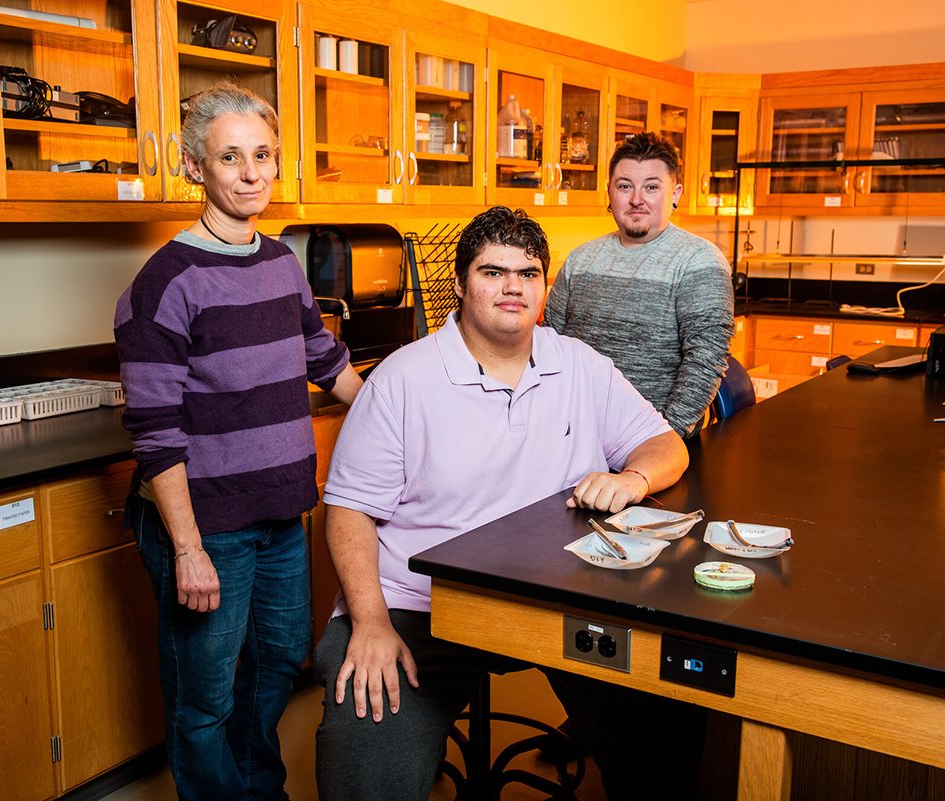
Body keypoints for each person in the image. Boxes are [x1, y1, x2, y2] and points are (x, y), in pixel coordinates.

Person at [313, 206, 691, 801]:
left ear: (544, 287)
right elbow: (349, 510)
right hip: (420, 610)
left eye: (528, 273)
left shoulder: (580, 365)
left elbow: (665, 444)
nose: (513, 286)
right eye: (492, 272)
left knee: (664, 726)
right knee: (366, 758)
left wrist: (635, 479)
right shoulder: (400, 381)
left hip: (557, 603)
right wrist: (369, 621)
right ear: (460, 286)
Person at [114, 82, 362, 801]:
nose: (252, 173)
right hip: (207, 526)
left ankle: (258, 790)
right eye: (231, 156)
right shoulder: (165, 283)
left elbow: (326, 360)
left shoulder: (281, 261)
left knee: (282, 663)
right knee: (206, 695)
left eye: (264, 155)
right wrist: (187, 548)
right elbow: (156, 436)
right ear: (195, 166)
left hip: (282, 515)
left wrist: (410, 407)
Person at [545, 131, 735, 438]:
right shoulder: (580, 260)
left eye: (651, 187)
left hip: (651, 443)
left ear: (676, 193)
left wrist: (663, 441)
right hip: (573, 435)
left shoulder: (699, 261)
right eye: (625, 186)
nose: (636, 199)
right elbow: (549, 346)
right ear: (609, 191)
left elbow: (704, 361)